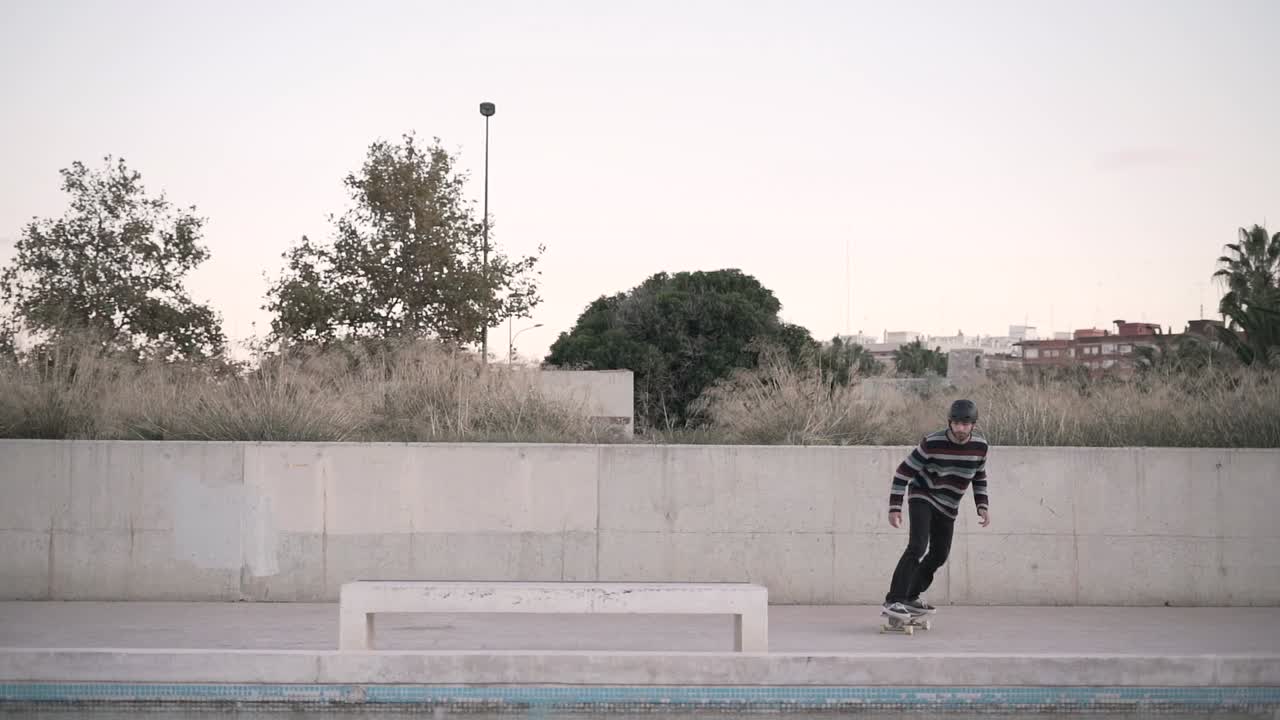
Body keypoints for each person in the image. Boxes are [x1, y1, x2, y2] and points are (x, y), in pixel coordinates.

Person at [881, 398, 990, 622]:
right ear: (950, 422)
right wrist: (895, 507)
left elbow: (979, 476)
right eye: (956, 423)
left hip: (949, 505)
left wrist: (982, 505)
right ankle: (894, 599)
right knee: (917, 546)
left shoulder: (980, 447)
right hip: (923, 495)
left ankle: (910, 595)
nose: (960, 428)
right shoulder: (932, 442)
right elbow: (903, 473)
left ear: (973, 425)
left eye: (965, 424)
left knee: (940, 554)